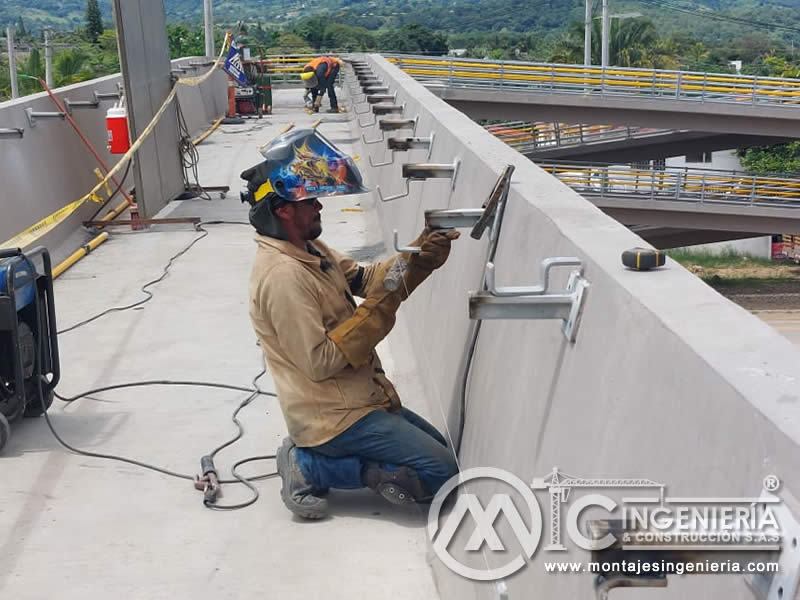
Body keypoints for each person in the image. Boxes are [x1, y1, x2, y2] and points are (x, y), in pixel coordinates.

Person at [241, 129, 459, 519]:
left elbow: (368, 281)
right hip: (331, 417)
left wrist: (419, 255)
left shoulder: (308, 248)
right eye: (311, 202)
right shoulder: (282, 276)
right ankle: (309, 465)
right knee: (441, 475)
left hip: (361, 398)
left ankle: (318, 457)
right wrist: (382, 305)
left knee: (440, 450)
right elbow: (320, 361)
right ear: (283, 210)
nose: (319, 208)